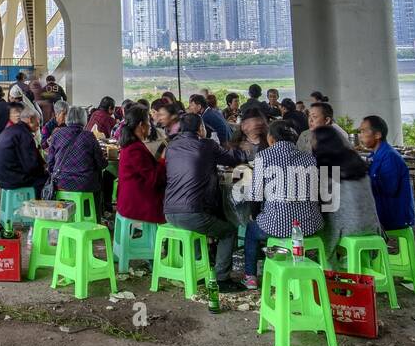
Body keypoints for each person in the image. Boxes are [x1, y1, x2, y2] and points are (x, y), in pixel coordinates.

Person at [162, 110, 247, 290]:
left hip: (169, 211)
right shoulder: (207, 145)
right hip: (192, 212)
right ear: (200, 128)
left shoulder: (171, 146)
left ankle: (199, 268)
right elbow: (232, 159)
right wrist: (243, 152)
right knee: (229, 231)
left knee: (201, 228)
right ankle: (222, 278)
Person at [241, 120, 323, 289]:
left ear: (271, 139)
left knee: (251, 229)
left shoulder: (263, 157)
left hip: (277, 226)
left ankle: (250, 277)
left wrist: (254, 215)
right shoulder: (309, 158)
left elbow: (255, 196)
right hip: (309, 226)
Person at [311, 125, 381, 257]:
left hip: (348, 230)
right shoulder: (356, 162)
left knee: (317, 223)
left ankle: (330, 265)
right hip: (372, 228)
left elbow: (326, 208)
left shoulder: (326, 168)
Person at [45, 104, 108, 215]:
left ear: (67, 118)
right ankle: (95, 216)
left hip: (61, 182)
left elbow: (50, 163)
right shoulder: (89, 136)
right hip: (85, 183)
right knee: (99, 179)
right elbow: (101, 163)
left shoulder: (57, 135)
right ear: (84, 120)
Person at [361, 115, 415, 231]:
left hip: (394, 215)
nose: (360, 135)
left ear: (378, 135)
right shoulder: (375, 155)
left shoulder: (389, 156)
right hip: (384, 211)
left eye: (364, 131)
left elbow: (389, 189)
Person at [116, 104, 166, 225]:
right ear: (140, 125)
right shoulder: (135, 149)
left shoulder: (130, 145)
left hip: (129, 199)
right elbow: (154, 178)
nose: (150, 125)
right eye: (148, 121)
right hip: (137, 202)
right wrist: (164, 159)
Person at [0, 100, 47, 196]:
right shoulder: (24, 134)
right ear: (30, 119)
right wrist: (44, 170)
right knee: (45, 179)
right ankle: (36, 208)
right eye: (38, 122)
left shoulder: (13, 129)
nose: (39, 126)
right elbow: (31, 165)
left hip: (2, 177)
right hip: (13, 179)